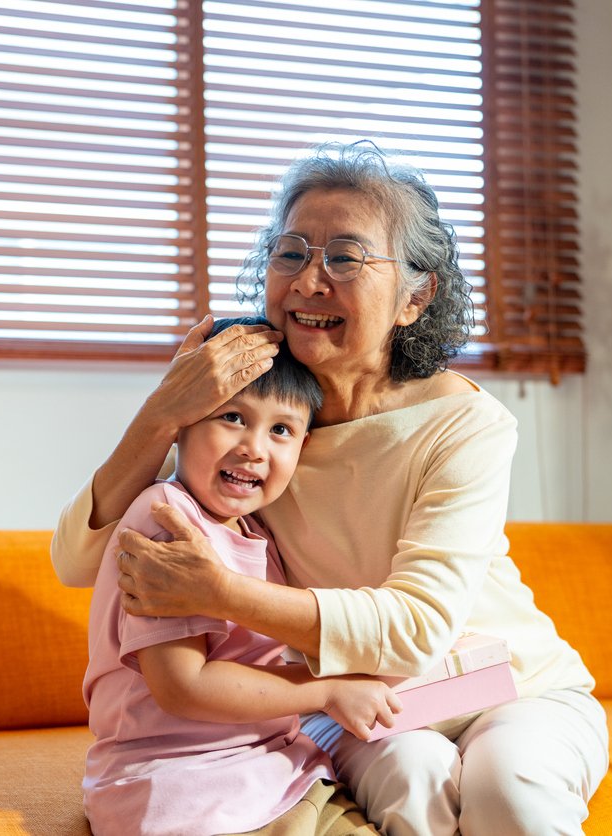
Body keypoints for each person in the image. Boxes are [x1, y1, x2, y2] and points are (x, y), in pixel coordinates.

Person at [54, 140, 609, 836]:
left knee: (512, 796)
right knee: (414, 783)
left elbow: (415, 629)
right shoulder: (262, 427)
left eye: (345, 257)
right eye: (290, 253)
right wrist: (165, 411)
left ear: (415, 296)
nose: (309, 281)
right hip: (364, 703)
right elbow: (80, 562)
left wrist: (221, 594)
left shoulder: (466, 423)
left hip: (517, 688)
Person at [83, 316, 395, 836]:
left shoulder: (255, 529)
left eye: (280, 430)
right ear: (181, 423)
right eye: (232, 416)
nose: (254, 447)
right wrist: (327, 689)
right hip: (182, 786)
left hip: (269, 767)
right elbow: (184, 687)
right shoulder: (168, 520)